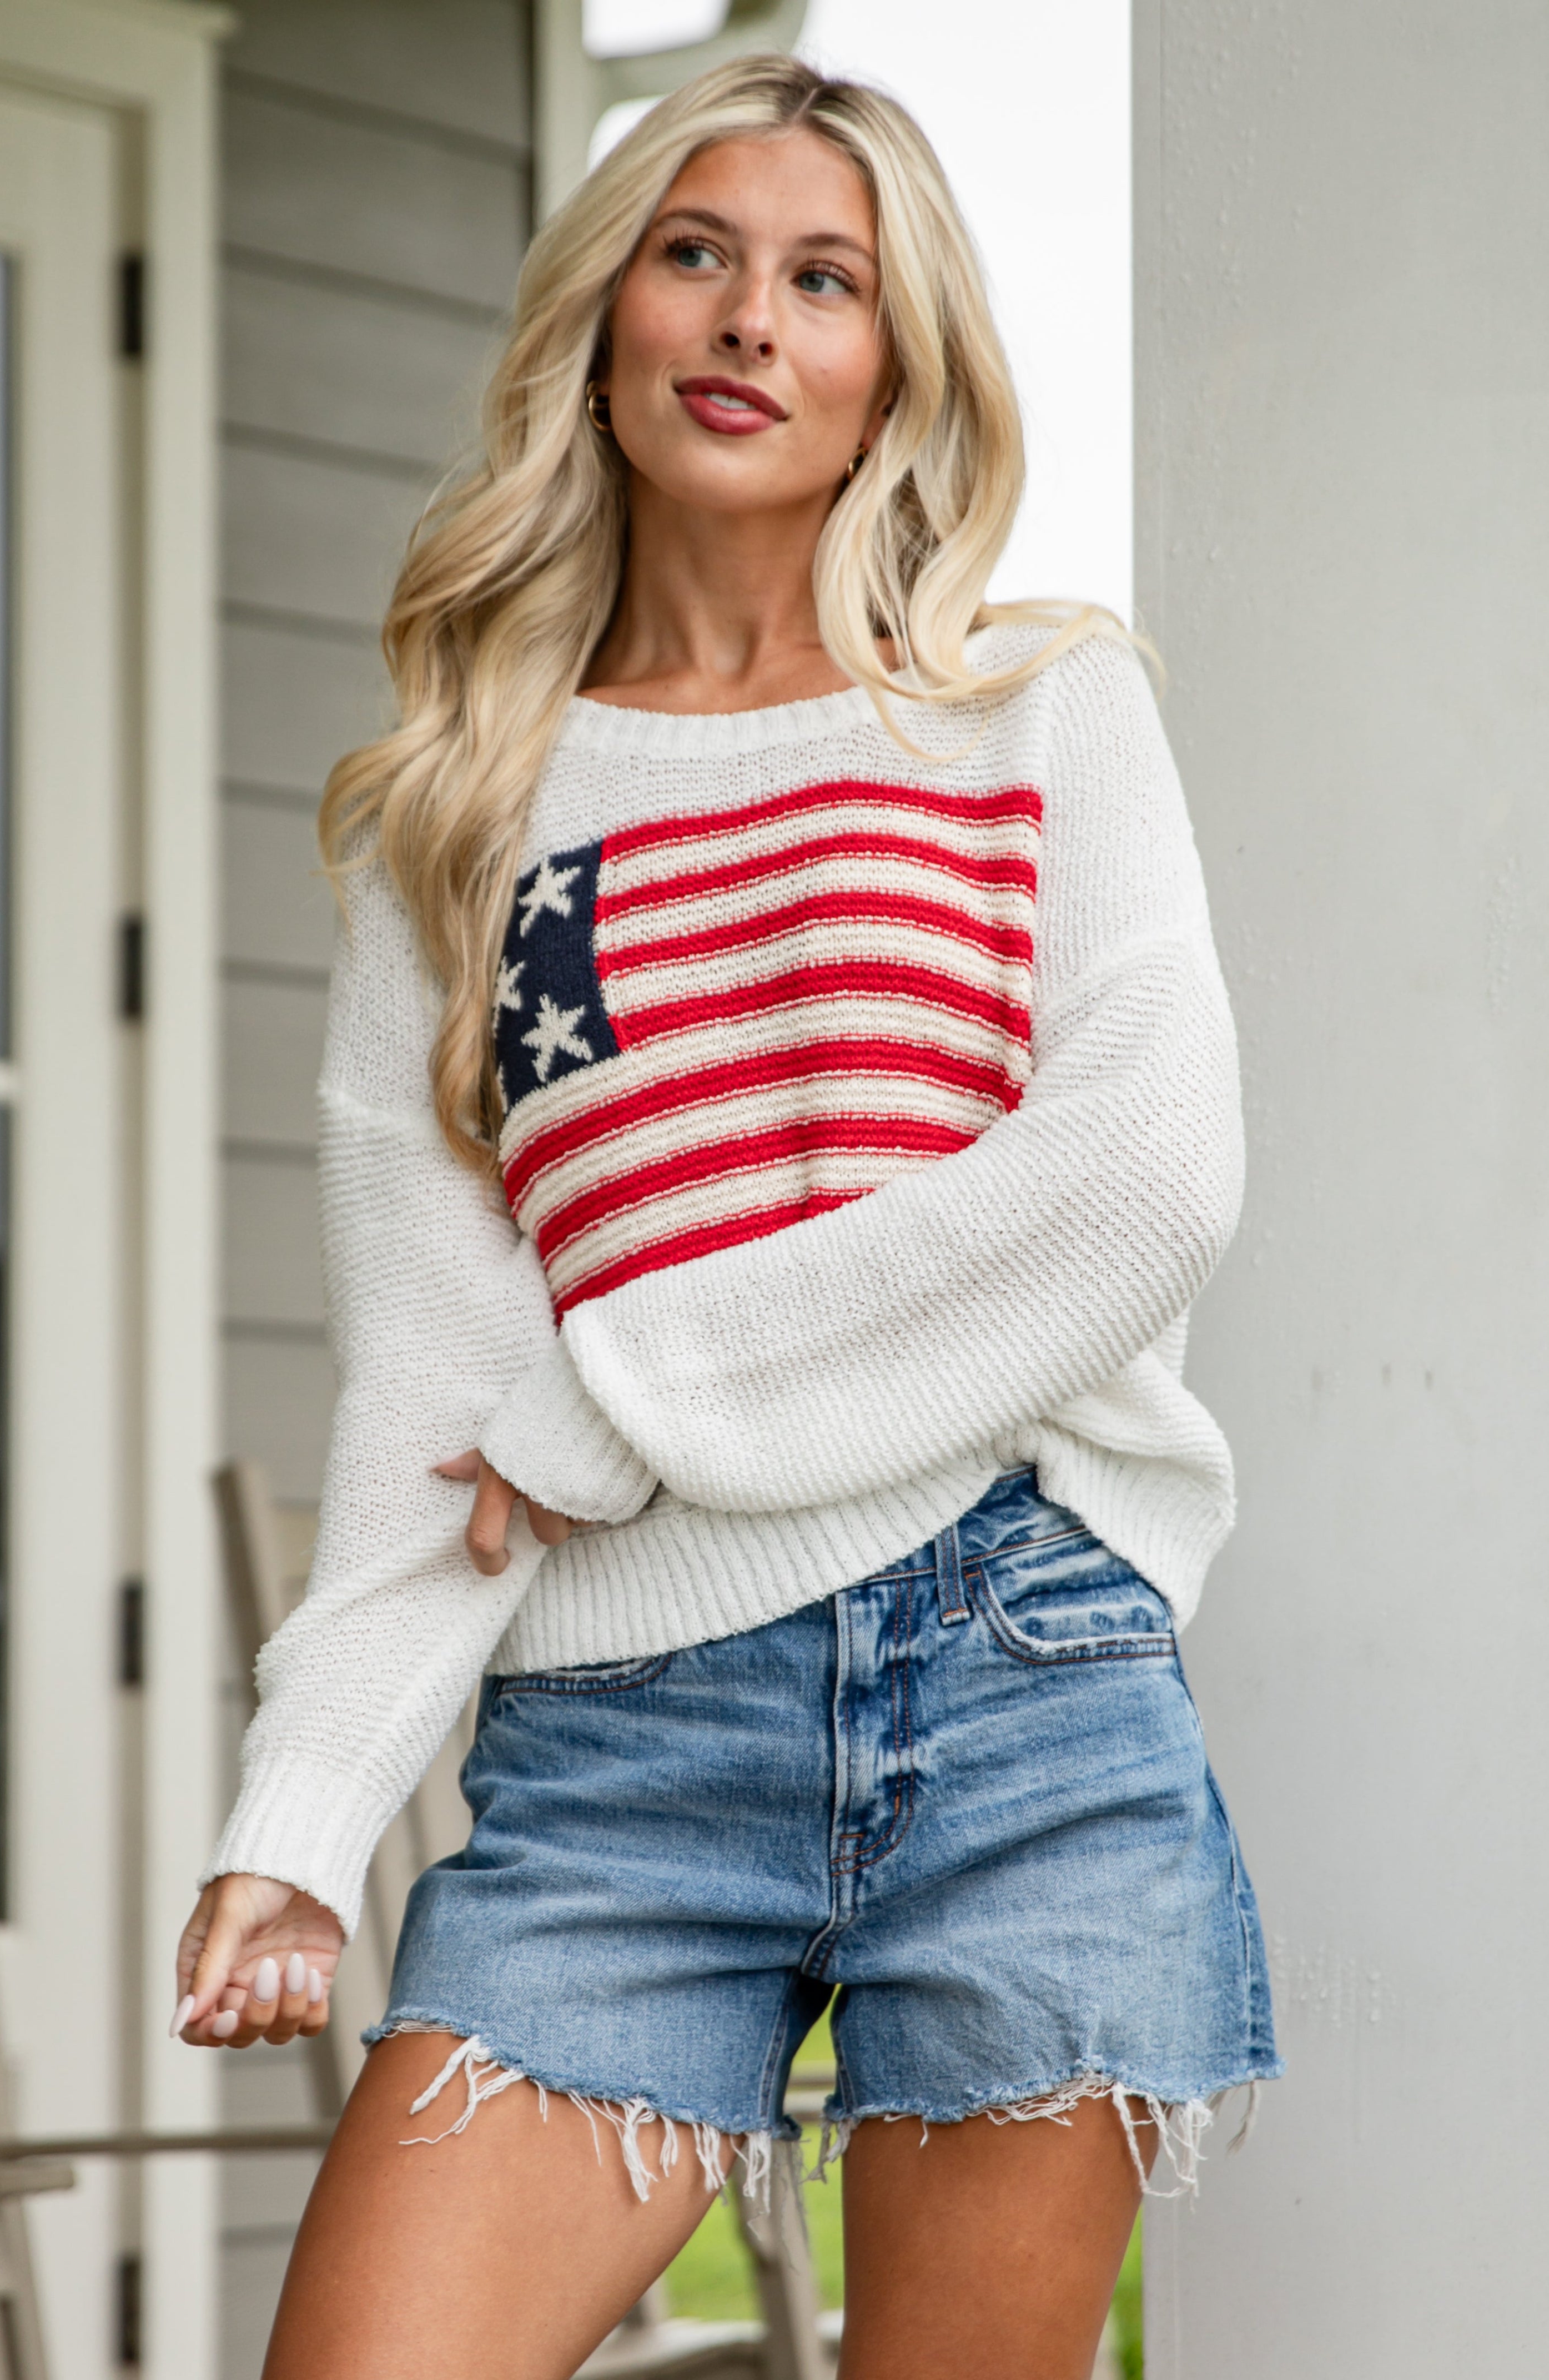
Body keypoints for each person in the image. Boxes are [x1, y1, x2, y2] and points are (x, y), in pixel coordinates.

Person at [173, 55, 1279, 2380]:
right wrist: (302, 1812)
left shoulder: (1033, 711)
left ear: (898, 360)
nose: (750, 317)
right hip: (618, 1748)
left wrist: (621, 1391)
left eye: (823, 278)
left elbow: (1141, 1180)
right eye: (696, 254)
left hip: (1019, 1682)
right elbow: (431, 1384)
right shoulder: (452, 817)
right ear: (605, 317)